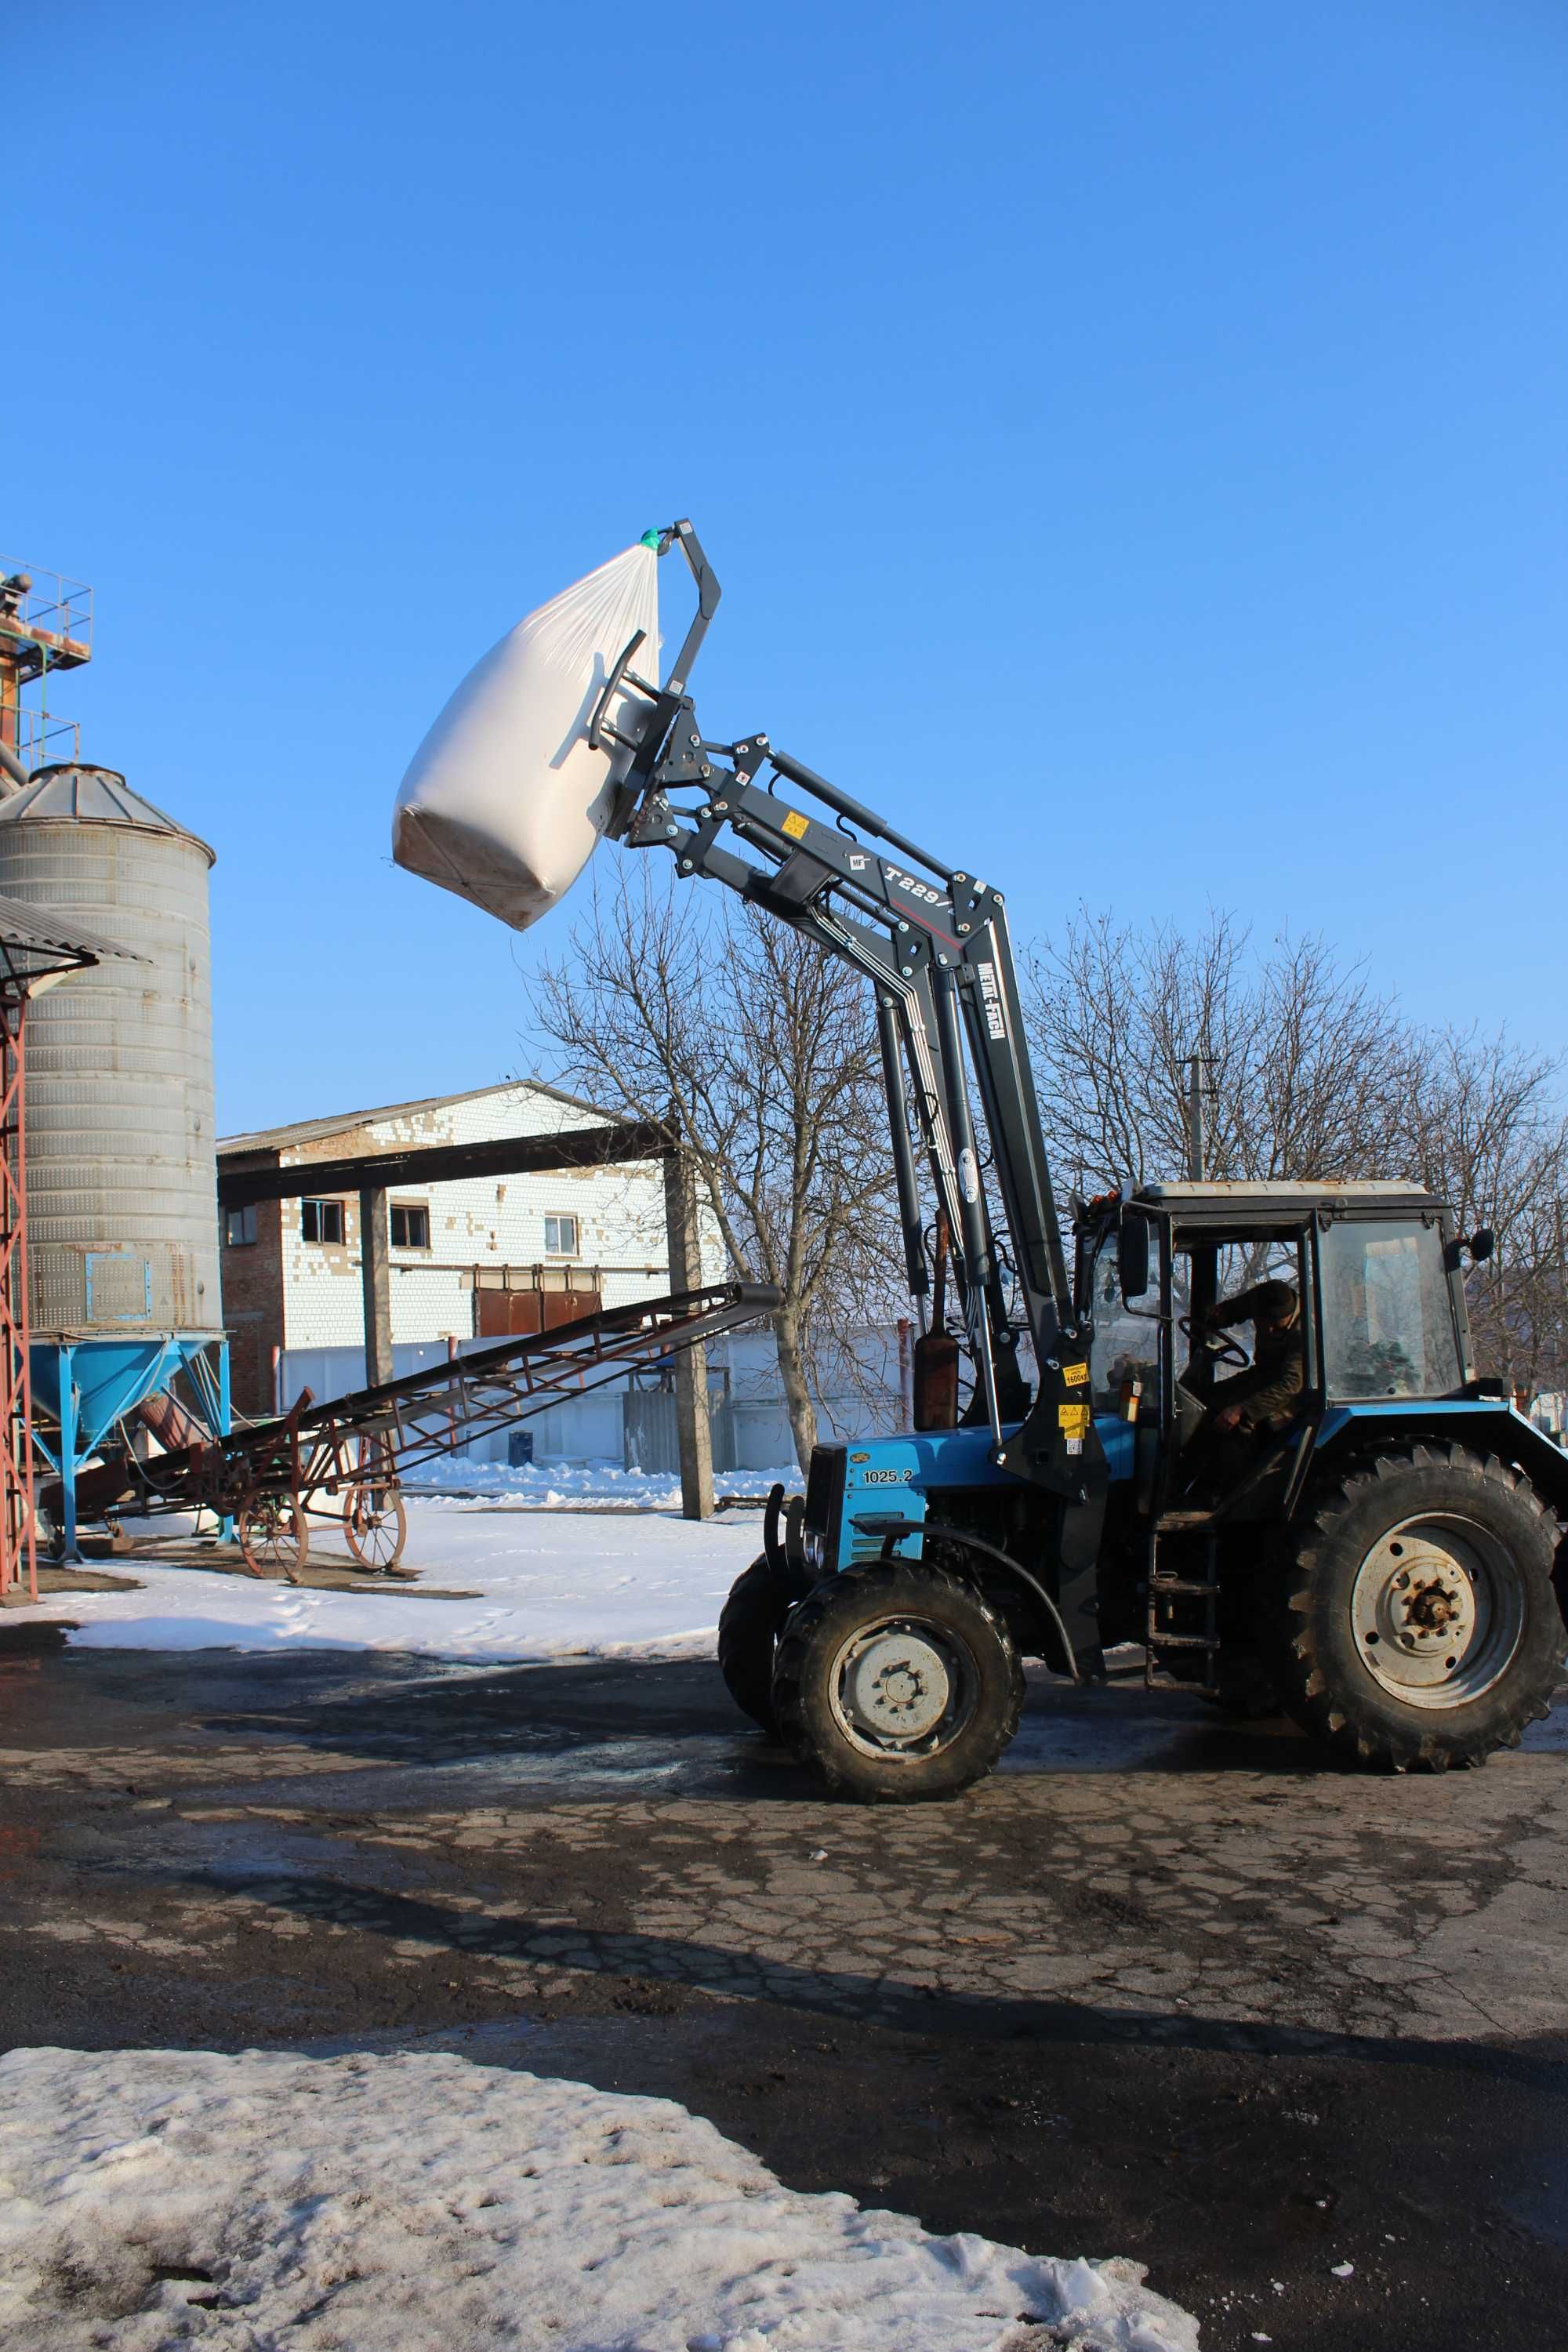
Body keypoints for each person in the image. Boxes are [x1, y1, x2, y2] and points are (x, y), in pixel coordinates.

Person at [1188, 1277, 1306, 1494]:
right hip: (1261, 1375)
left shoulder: (1305, 1331)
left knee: (1238, 1423)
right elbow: (1234, 1309)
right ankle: (1190, 1474)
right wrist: (1217, 1315)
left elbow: (1290, 1384)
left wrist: (1243, 1409)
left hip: (1295, 1393)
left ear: (1290, 1315)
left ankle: (1228, 1492)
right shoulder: (1261, 1297)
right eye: (1264, 1322)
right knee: (1202, 1400)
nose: (1268, 1331)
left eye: (1276, 1325)